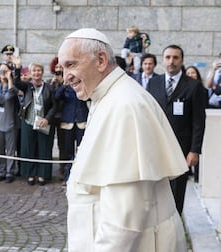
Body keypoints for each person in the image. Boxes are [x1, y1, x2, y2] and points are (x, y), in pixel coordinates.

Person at [58, 28, 187, 251]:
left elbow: (124, 216)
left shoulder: (125, 105)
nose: (64, 77)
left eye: (71, 65)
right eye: (62, 68)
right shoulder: (107, 96)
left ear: (100, 60)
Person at [147, 44, 207, 215]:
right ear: (163, 60)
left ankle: (175, 228)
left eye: (175, 58)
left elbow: (198, 121)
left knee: (177, 190)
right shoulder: (154, 83)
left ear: (182, 60)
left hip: (182, 148)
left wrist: (194, 150)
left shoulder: (193, 86)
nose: (171, 61)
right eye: (168, 57)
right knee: (155, 190)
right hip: (156, 147)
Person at [13, 60, 56, 186]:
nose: (36, 73)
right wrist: (17, 67)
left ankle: (43, 174)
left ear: (42, 73)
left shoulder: (49, 87)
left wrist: (47, 119)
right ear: (30, 73)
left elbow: (54, 106)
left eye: (39, 70)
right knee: (28, 148)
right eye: (34, 71)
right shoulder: (27, 86)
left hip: (43, 123)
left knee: (44, 149)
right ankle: (30, 174)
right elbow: (16, 83)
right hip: (28, 121)